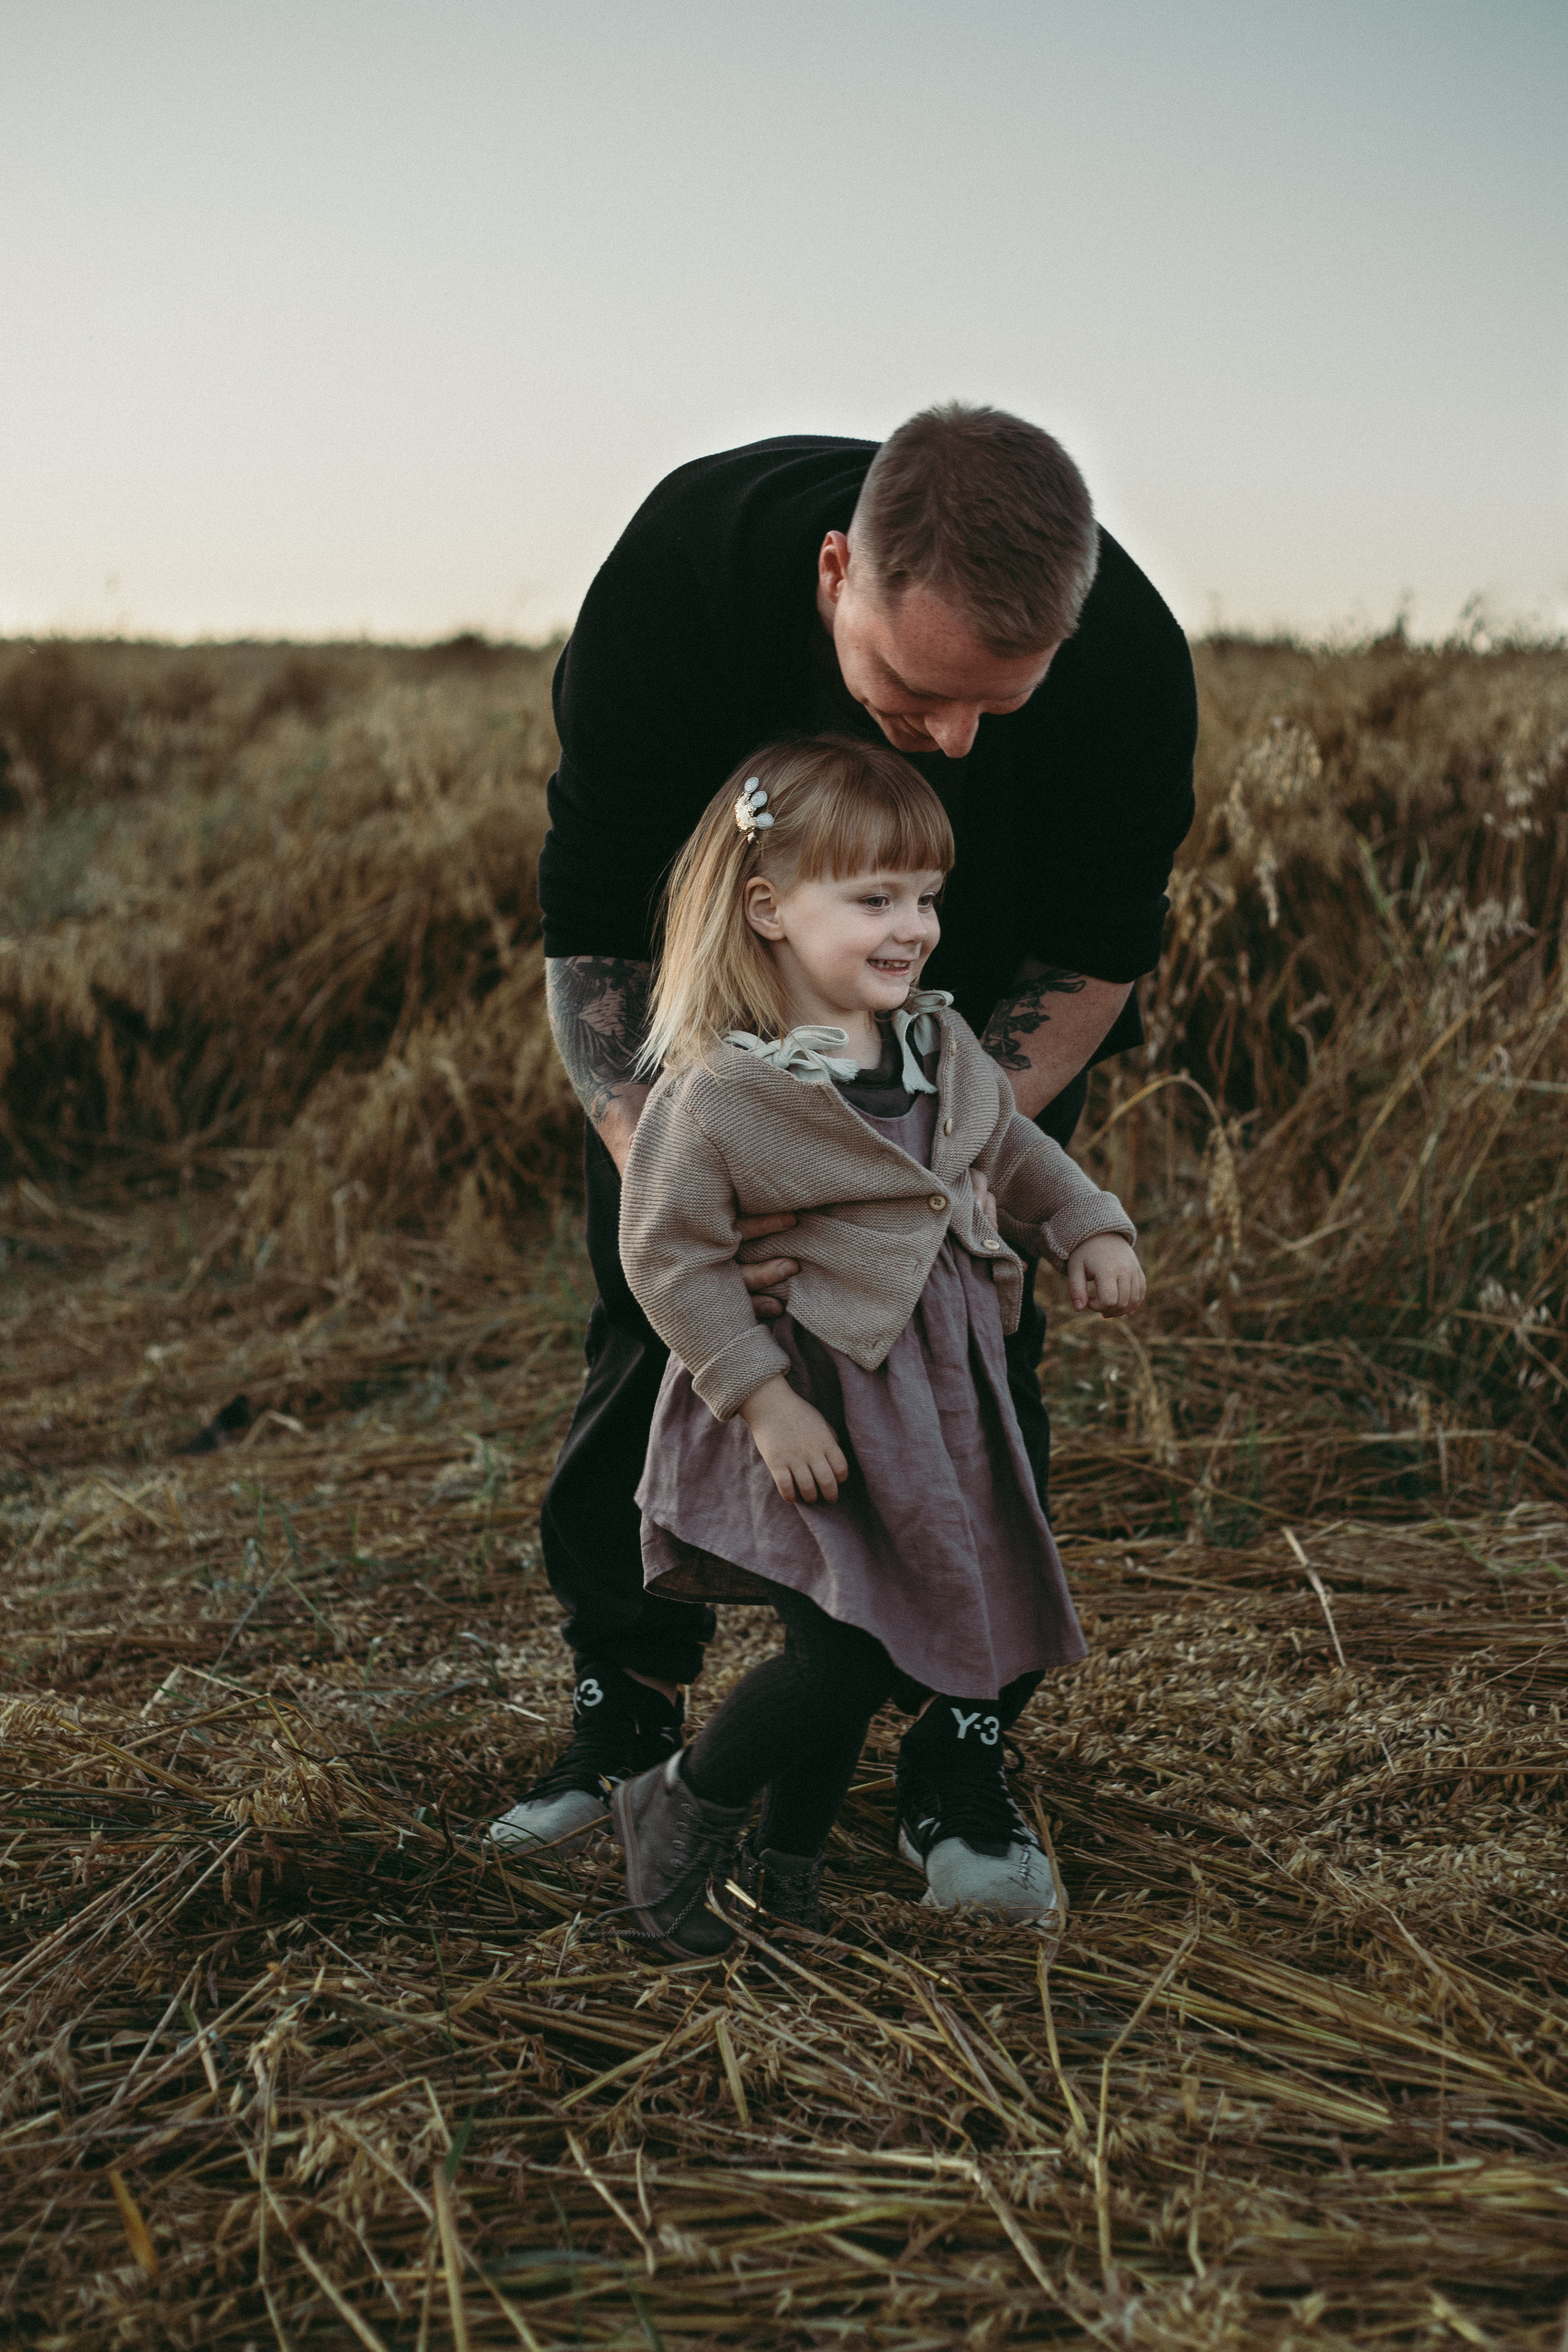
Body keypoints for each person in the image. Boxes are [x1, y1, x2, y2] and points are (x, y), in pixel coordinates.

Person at [491, 402, 1196, 1886]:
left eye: (996, 704)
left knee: (972, 1353)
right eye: (912, 687)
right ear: (831, 575)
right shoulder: (683, 570)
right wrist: (680, 1166)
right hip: (712, 1016)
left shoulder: (1127, 663)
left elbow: (1092, 945)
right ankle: (627, 1712)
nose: (948, 741)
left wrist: (943, 1176)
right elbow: (598, 905)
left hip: (953, 1033)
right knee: (650, 1323)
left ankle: (962, 1743)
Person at [598, 736, 1143, 1956]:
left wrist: (1082, 1225)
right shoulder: (724, 1092)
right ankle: (676, 1810)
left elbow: (1012, 1153)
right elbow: (667, 1256)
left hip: (936, 1400)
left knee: (864, 1639)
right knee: (842, 1652)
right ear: (769, 909)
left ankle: (786, 1875)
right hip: (811, 1404)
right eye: (874, 899)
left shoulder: (938, 1048)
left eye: (926, 899)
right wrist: (758, 1398)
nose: (913, 927)